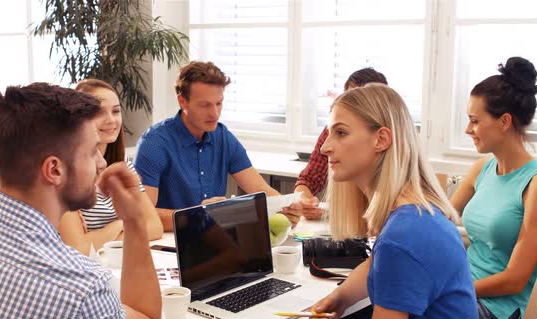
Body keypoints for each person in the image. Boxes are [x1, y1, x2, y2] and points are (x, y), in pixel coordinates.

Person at [0, 83, 161, 319]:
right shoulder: (81, 289)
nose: (101, 162)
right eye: (91, 152)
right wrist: (133, 221)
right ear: (54, 170)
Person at [309, 84, 478, 319]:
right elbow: (376, 264)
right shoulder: (417, 212)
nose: (325, 147)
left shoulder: (403, 236)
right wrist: (339, 299)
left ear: (381, 139)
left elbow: (391, 255)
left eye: (341, 133)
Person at [134, 61, 301, 231]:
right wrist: (200, 216)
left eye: (219, 103)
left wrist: (285, 208)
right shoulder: (154, 143)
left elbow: (259, 188)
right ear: (182, 101)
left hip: (217, 238)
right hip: (170, 242)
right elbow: (143, 215)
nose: (214, 113)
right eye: (205, 105)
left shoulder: (222, 136)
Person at [450, 56, 537, 319]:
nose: (468, 130)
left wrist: (452, 289)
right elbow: (439, 216)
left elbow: (515, 280)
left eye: (474, 121)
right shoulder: (482, 169)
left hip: (498, 310)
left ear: (504, 121)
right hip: (465, 291)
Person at [58, 79, 163, 255]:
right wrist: (125, 223)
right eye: (99, 113)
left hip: (116, 260)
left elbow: (154, 227)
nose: (111, 120)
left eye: (115, 111)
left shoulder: (123, 165)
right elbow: (80, 248)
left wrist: (102, 236)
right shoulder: (65, 174)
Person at [294, 68, 388, 220]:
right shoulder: (332, 131)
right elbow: (307, 180)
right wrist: (305, 202)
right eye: (349, 97)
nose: (325, 148)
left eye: (342, 133)